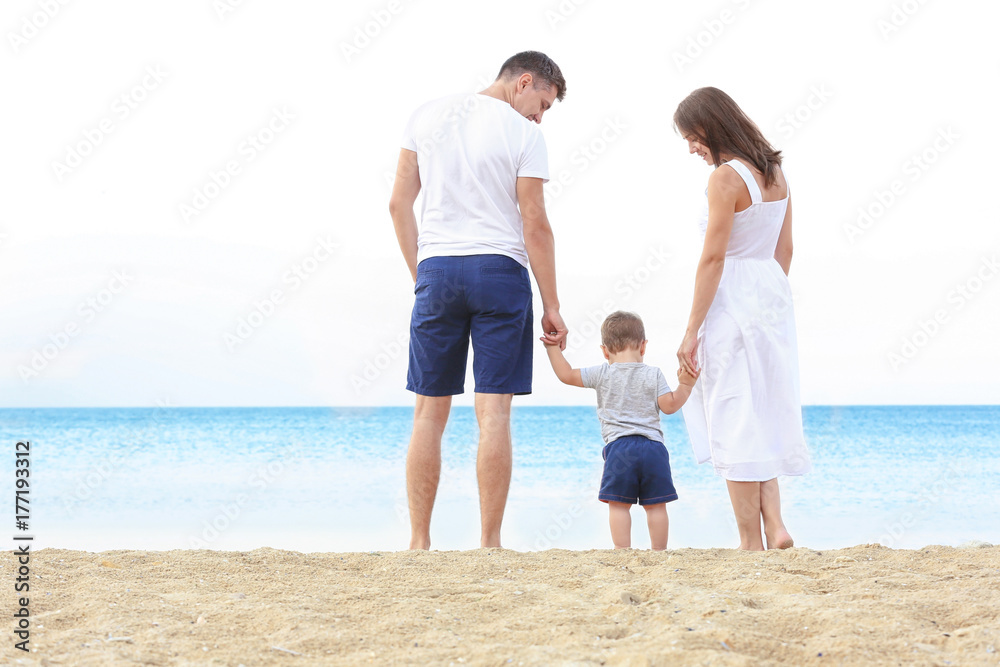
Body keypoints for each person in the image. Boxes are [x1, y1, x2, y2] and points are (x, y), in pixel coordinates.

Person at [389, 51, 568, 550]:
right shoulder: (526, 135)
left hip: (438, 271)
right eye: (543, 103)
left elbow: (398, 204)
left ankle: (419, 543)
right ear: (524, 81)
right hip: (500, 271)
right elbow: (534, 222)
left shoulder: (425, 116)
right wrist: (552, 304)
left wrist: (422, 272)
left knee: (428, 413)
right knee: (494, 413)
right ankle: (489, 543)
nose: (540, 115)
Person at [673, 87, 811, 551]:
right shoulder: (777, 173)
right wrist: (766, 299)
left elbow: (713, 258)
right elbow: (785, 250)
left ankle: (750, 541)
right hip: (770, 294)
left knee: (733, 412)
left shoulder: (725, 179)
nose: (691, 147)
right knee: (766, 408)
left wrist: (692, 329)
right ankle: (777, 526)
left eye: (692, 137)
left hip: (730, 296)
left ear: (710, 127)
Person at [542, 311, 697, 550]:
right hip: (653, 449)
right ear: (643, 347)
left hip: (619, 449)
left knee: (618, 505)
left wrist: (552, 346)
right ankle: (659, 551)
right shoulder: (653, 373)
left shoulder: (602, 372)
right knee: (656, 505)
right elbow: (669, 406)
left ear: (605, 351)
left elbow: (566, 374)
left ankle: (622, 550)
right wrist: (685, 384)